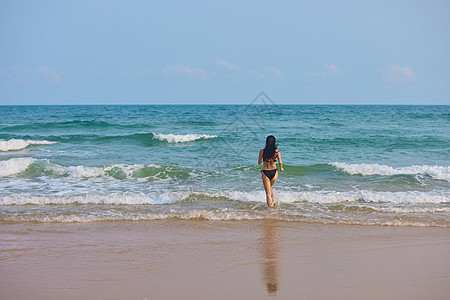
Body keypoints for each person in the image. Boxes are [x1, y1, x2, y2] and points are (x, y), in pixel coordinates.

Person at [258, 135, 283, 208]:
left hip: (266, 172)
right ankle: (273, 201)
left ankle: (270, 210)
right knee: (269, 188)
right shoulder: (277, 152)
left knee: (268, 193)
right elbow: (280, 162)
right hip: (274, 173)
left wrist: (262, 160)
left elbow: (259, 162)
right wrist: (281, 168)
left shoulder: (262, 151)